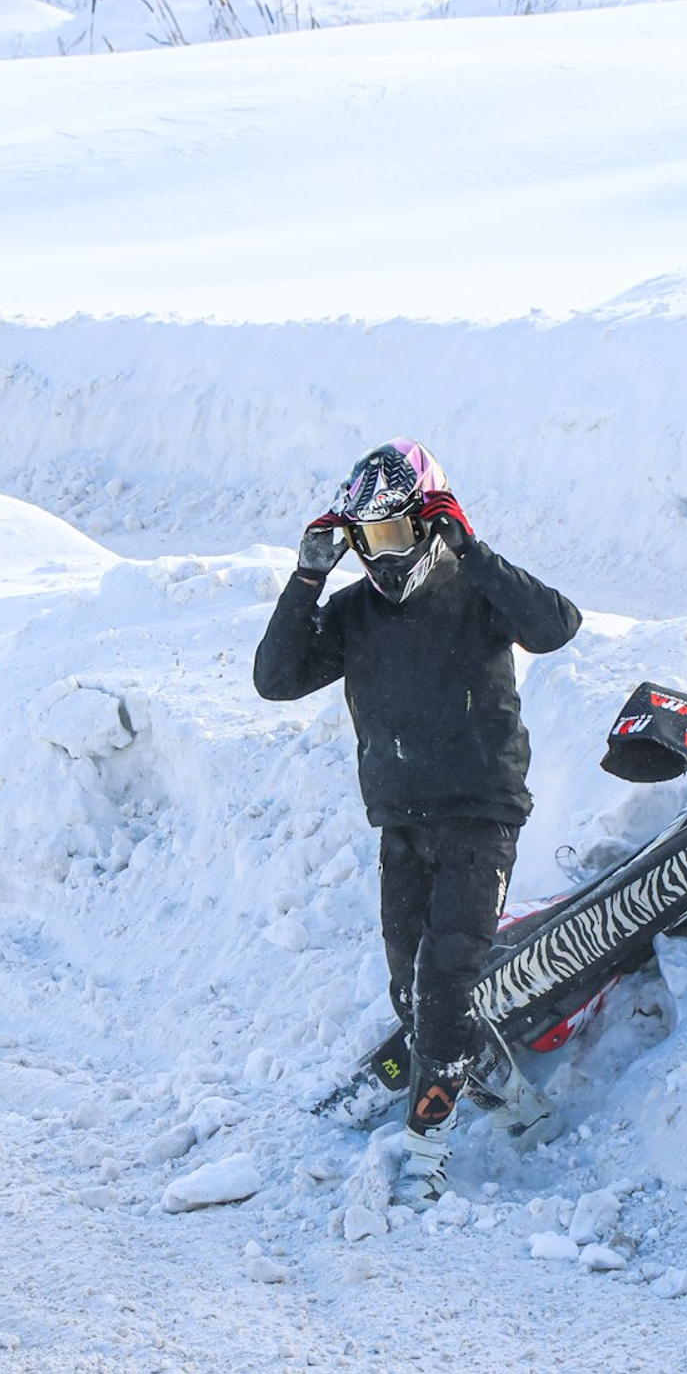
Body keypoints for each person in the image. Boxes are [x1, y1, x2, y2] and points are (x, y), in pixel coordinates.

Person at [254, 440, 582, 1205]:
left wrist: (475, 548)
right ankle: (511, 1095)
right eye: (369, 539)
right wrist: (308, 575)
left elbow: (557, 624)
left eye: (397, 532)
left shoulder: (476, 587)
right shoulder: (356, 612)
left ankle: (426, 1152)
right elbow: (275, 678)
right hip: (401, 819)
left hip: (481, 812)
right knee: (414, 992)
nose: (385, 553)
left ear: (432, 520)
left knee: (443, 984)